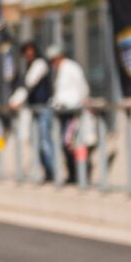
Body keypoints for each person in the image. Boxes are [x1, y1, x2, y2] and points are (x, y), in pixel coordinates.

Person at [7, 41, 55, 182]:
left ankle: (53, 173)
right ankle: (48, 173)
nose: (28, 54)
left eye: (30, 51)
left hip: (43, 109)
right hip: (34, 110)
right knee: (36, 142)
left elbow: (28, 84)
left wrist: (16, 101)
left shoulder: (39, 65)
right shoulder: (29, 66)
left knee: (45, 142)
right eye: (26, 52)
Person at [47, 45, 91, 183]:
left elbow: (80, 89)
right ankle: (74, 174)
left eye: (54, 59)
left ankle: (80, 174)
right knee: (69, 144)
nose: (53, 63)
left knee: (72, 143)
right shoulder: (62, 70)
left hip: (73, 112)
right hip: (65, 112)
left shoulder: (70, 68)